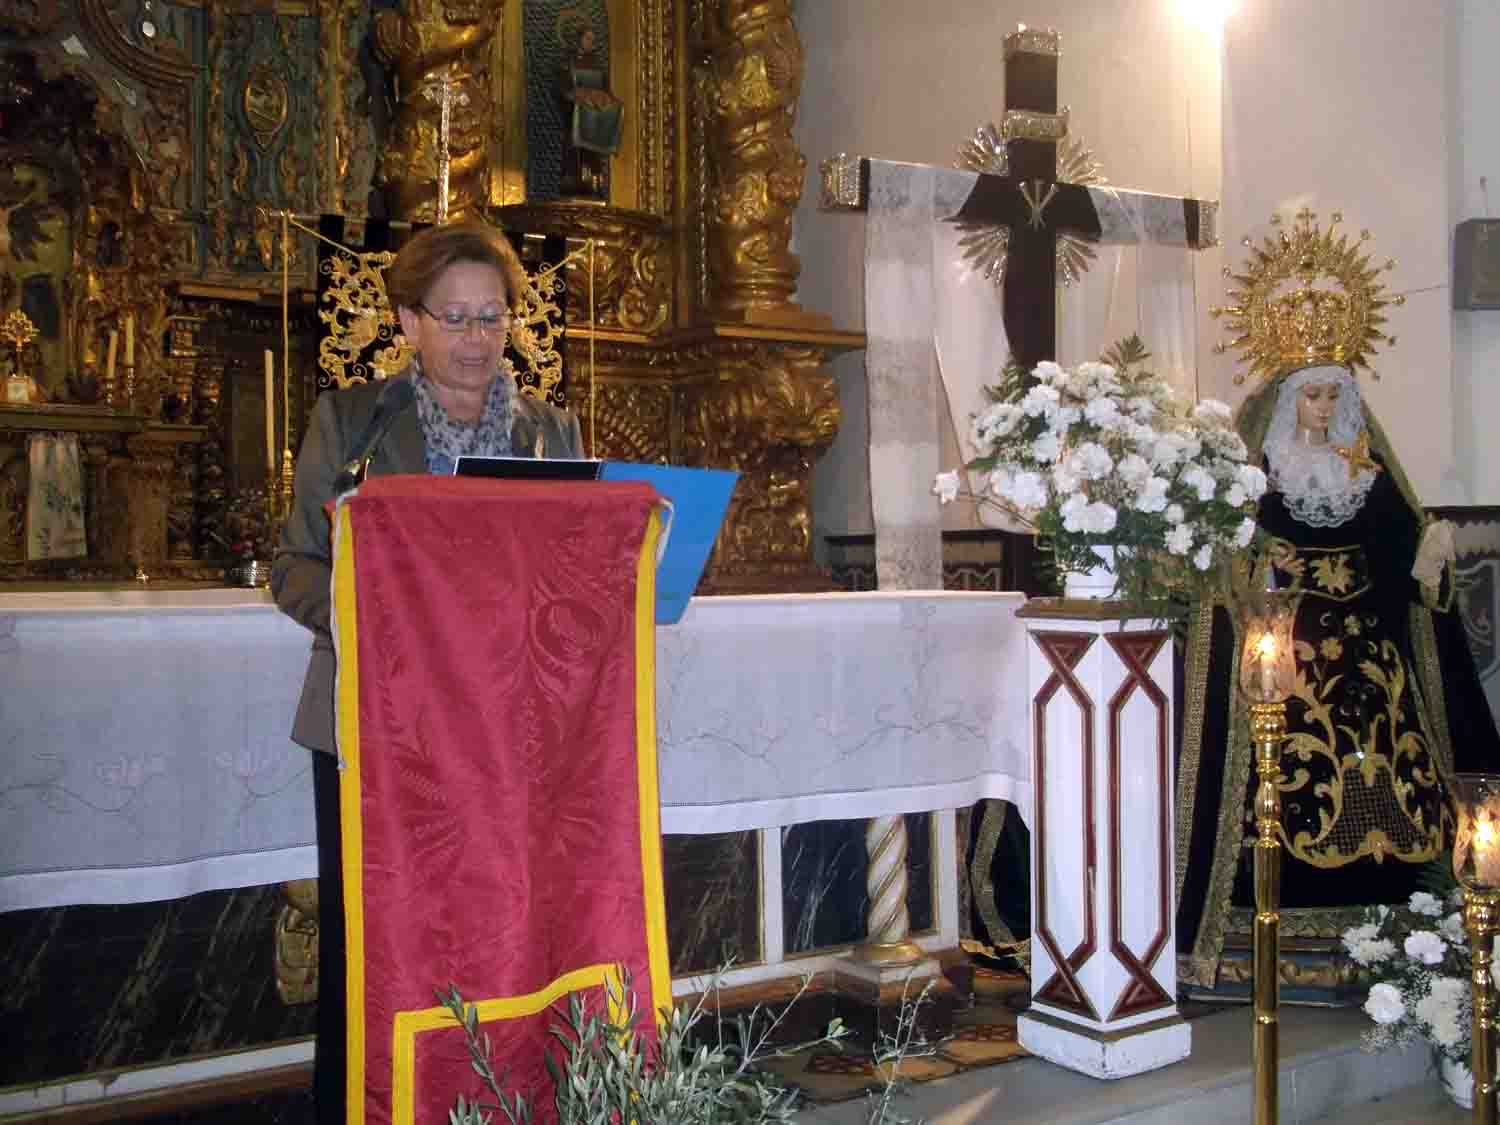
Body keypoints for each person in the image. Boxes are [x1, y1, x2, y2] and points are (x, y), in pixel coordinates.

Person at [271, 219, 583, 1119]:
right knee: (375, 944)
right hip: (376, 727)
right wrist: (382, 617)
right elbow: (295, 568)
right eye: (456, 318)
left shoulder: (550, 432)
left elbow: (573, 571)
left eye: (493, 317)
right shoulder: (350, 423)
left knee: (508, 936)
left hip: (510, 735)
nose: (478, 339)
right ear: (409, 322)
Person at [1175, 361, 1500, 994]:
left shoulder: (1368, 477)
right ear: (1287, 403)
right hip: (1288, 656)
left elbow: (1403, 570)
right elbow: (1227, 568)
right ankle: (1267, 922)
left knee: (1399, 771)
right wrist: (1259, 562)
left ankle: (1409, 921)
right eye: (1313, 396)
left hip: (1371, 661)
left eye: (1333, 396)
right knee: (1287, 773)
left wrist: (1428, 555)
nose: (1324, 407)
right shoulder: (1257, 480)